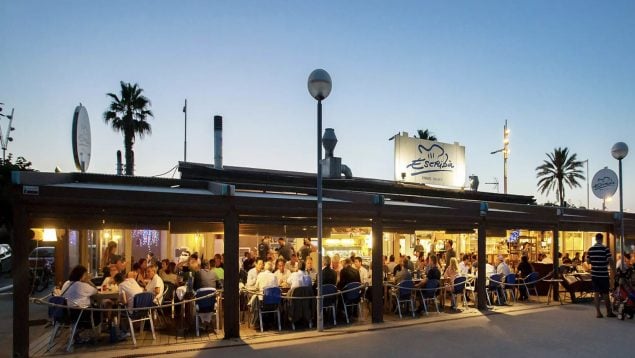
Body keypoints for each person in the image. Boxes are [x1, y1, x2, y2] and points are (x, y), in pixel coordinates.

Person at [587, 233, 616, 318]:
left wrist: (594, 261)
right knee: (605, 293)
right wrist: (614, 271)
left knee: (596, 293)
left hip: (594, 274)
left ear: (596, 239)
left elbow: (588, 261)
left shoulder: (591, 249)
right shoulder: (605, 249)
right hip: (603, 274)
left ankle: (598, 313)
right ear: (602, 239)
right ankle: (609, 312)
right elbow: (610, 260)